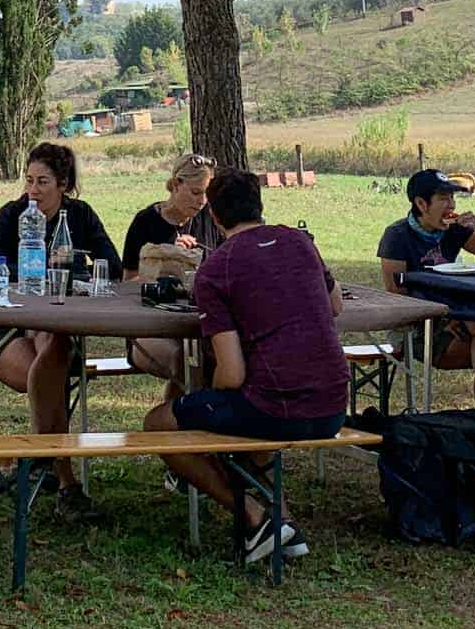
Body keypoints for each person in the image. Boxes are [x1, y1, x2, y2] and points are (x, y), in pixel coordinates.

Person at [145, 169, 343, 563]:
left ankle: (253, 518)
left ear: (214, 217)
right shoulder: (302, 243)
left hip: (276, 407)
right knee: (238, 427)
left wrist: (208, 393)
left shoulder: (216, 269)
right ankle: (283, 521)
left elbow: (232, 374)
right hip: (333, 404)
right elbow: (335, 305)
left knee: (158, 424)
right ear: (261, 206)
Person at [0, 141, 122, 523]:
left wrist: (72, 266)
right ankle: (66, 481)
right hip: (4, 327)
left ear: (64, 184)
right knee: (49, 377)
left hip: (54, 325)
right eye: (29, 180)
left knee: (53, 345)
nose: (33, 190)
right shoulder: (11, 216)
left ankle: (43, 463)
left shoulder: (80, 215)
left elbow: (112, 266)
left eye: (43, 181)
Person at [377, 166, 475, 412]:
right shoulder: (397, 236)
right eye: (443, 198)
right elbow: (397, 296)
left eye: (452, 197)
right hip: (415, 328)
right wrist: (444, 316)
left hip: (454, 316)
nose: (451, 205)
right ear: (421, 203)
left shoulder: (453, 230)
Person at [120, 153, 219, 393]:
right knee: (184, 362)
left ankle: (179, 420)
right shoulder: (145, 222)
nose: (202, 201)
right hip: (149, 327)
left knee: (211, 361)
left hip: (198, 324)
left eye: (206, 194)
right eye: (196, 193)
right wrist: (168, 260)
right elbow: (128, 283)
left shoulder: (210, 219)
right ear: (176, 185)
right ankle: (176, 421)